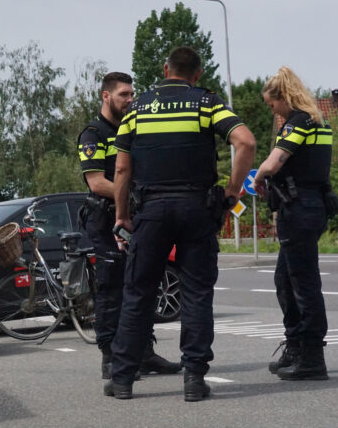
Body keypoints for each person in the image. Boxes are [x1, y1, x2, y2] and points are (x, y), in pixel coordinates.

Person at [105, 46, 256, 401]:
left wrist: (121, 214)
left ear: (165, 69)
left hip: (151, 211)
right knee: (196, 293)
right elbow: (245, 141)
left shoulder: (137, 108)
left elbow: (123, 169)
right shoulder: (206, 103)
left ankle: (123, 379)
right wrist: (231, 194)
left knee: (138, 293)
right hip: (196, 209)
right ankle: (193, 378)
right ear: (197, 74)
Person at [77, 72, 181, 379]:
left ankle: (143, 352)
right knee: (112, 289)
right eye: (124, 94)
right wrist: (132, 195)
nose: (130, 99)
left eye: (132, 93)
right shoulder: (92, 134)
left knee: (144, 283)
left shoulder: (134, 128)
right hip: (106, 219)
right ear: (106, 96)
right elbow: (96, 183)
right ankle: (111, 357)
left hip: (137, 217)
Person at [252, 66, 333, 381]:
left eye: (272, 105)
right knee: (285, 281)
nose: (272, 111)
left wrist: (258, 176)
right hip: (309, 207)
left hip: (300, 209)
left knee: (303, 286)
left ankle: (312, 357)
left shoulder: (301, 121)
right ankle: (296, 346)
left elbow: (274, 162)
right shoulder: (318, 121)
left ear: (284, 97)